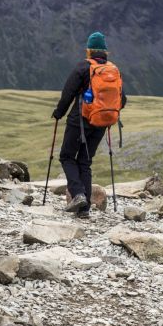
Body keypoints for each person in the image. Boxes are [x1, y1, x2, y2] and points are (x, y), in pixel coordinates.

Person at [52, 32, 126, 218]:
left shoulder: (83, 67)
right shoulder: (112, 71)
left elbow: (68, 93)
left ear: (89, 50)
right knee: (85, 162)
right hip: (101, 123)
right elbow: (122, 100)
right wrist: (105, 111)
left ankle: (77, 195)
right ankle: (84, 210)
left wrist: (59, 113)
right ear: (105, 52)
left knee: (67, 156)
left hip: (80, 121)